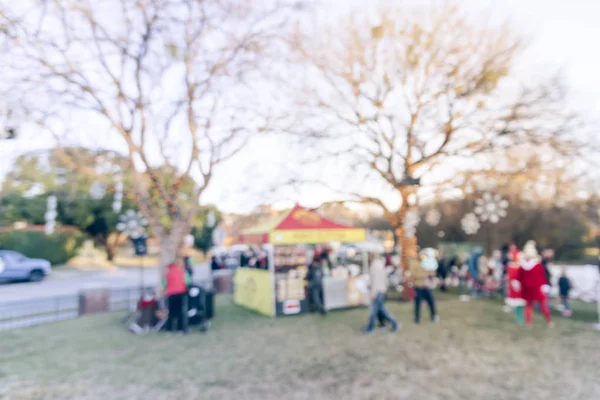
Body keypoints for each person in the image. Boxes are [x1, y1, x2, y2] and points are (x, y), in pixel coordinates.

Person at [516, 241, 552, 327]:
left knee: (529, 306)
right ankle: (548, 321)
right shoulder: (537, 264)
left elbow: (519, 277)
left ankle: (529, 323)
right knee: (543, 305)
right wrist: (544, 285)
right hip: (537, 288)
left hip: (527, 288)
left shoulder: (522, 265)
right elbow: (542, 276)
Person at [362, 255, 398, 334]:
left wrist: (373, 293)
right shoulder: (381, 265)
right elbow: (385, 280)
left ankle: (369, 328)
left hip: (377, 292)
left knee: (374, 311)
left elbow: (375, 282)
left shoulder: (374, 267)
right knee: (382, 310)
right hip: (381, 291)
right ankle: (394, 324)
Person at [409, 248, 439, 324]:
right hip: (418, 287)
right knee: (417, 303)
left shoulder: (427, 261)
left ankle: (434, 316)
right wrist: (424, 275)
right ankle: (417, 318)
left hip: (427, 287)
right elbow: (413, 274)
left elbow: (432, 273)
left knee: (431, 302)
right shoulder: (414, 262)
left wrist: (430, 273)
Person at [163, 261, 192, 333]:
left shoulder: (167, 274)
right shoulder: (183, 272)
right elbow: (188, 282)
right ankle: (181, 328)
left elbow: (164, 284)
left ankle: (169, 329)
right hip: (181, 294)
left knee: (171, 312)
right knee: (181, 311)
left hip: (171, 295)